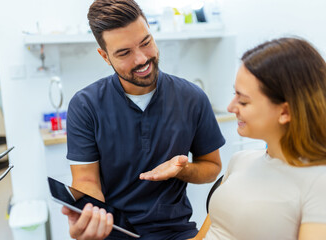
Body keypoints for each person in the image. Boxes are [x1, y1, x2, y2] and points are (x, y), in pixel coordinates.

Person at [62, 0, 225, 239]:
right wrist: (92, 217)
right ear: (105, 56)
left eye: (146, 43)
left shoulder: (192, 98)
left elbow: (212, 167)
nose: (141, 59)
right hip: (114, 231)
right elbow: (86, 179)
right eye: (124, 53)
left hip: (175, 232)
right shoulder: (85, 105)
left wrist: (181, 170)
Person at [192, 37, 326, 240]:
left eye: (243, 101)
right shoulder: (241, 160)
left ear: (285, 112)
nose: (230, 107)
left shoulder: (318, 182)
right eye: (233, 94)